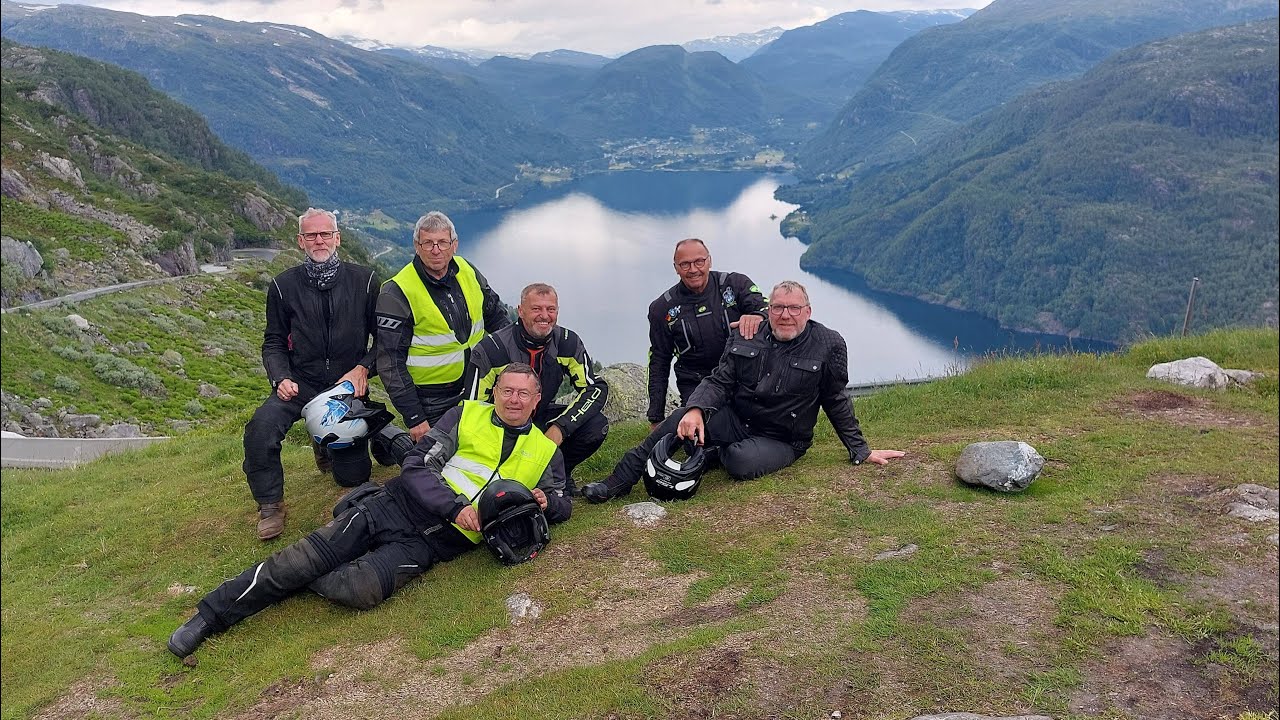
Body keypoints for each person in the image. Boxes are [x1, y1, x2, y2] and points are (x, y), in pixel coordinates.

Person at [167, 364, 571, 658]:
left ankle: (335, 534)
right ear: (495, 392)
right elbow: (416, 466)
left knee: (360, 590)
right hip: (396, 506)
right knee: (299, 560)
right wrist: (457, 508)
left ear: (536, 401)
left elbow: (562, 503)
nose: (514, 399)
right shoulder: (466, 415)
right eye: (507, 391)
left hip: (432, 546)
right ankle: (209, 616)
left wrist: (545, 501)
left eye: (523, 394)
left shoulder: (545, 451)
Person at [583, 281, 904, 502]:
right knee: (681, 417)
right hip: (737, 418)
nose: (785, 315)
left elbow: (835, 399)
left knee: (739, 462)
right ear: (769, 309)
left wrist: (861, 451)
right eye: (778, 307)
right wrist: (697, 409)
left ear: (808, 311)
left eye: (794, 308)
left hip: (782, 437)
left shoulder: (829, 344)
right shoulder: (747, 335)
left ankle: (709, 451)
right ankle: (619, 480)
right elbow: (719, 381)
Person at [243, 208, 379, 540]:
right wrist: (280, 377)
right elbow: (273, 341)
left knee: (353, 478)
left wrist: (363, 369)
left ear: (338, 238)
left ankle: (325, 443)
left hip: (344, 386)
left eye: (326, 234)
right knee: (261, 429)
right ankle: (270, 505)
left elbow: (386, 341)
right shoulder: (282, 286)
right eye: (311, 235)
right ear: (301, 241)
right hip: (300, 382)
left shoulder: (366, 281)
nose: (319, 241)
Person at [375, 211, 510, 443]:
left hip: (479, 386)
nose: (436, 249)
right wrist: (415, 418)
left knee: (487, 449)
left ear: (454, 245)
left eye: (442, 242)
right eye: (428, 243)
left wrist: (510, 368)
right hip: (432, 400)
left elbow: (497, 316)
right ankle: (389, 439)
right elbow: (390, 362)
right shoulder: (397, 292)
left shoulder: (468, 271)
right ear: (417, 246)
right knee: (436, 464)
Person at [464, 283, 609, 495]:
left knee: (596, 425)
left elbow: (595, 388)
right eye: (536, 309)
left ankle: (559, 473)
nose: (544, 316)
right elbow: (472, 408)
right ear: (520, 311)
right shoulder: (492, 349)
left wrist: (560, 428)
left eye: (551, 309)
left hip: (539, 417)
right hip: (503, 424)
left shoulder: (567, 342)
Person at [646, 238, 769, 428]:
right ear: (676, 267)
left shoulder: (736, 285)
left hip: (742, 377)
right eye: (685, 264)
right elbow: (659, 361)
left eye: (699, 261)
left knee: (760, 423)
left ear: (709, 261)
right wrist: (656, 416)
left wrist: (759, 316)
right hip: (696, 383)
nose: (693, 269)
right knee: (703, 435)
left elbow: (772, 312)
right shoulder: (662, 308)